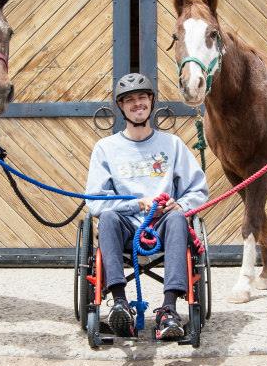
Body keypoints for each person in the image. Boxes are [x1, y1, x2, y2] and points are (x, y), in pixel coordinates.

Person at [85, 73, 209, 339]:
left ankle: (169, 311)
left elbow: (199, 190)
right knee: (106, 218)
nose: (137, 104)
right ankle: (119, 303)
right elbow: (95, 201)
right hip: (127, 226)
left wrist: (181, 204)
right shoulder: (105, 148)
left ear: (151, 102)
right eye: (129, 100)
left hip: (163, 224)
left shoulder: (172, 144)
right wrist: (136, 204)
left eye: (142, 97)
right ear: (121, 106)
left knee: (178, 219)